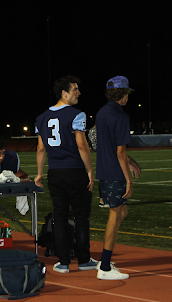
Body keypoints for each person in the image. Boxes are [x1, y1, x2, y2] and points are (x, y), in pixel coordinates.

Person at [34, 75, 97, 273]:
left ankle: (62, 261)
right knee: (81, 217)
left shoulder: (41, 117)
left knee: (59, 217)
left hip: (55, 173)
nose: (78, 93)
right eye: (75, 89)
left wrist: (39, 173)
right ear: (64, 93)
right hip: (74, 171)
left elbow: (41, 149)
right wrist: (90, 169)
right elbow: (81, 144)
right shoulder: (76, 114)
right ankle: (84, 259)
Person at [95, 76, 136, 280]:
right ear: (123, 94)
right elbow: (120, 151)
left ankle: (105, 259)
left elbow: (110, 145)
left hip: (103, 171)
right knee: (115, 215)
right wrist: (128, 179)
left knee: (121, 213)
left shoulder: (102, 113)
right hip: (114, 173)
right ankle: (104, 266)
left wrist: (131, 160)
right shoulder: (121, 116)